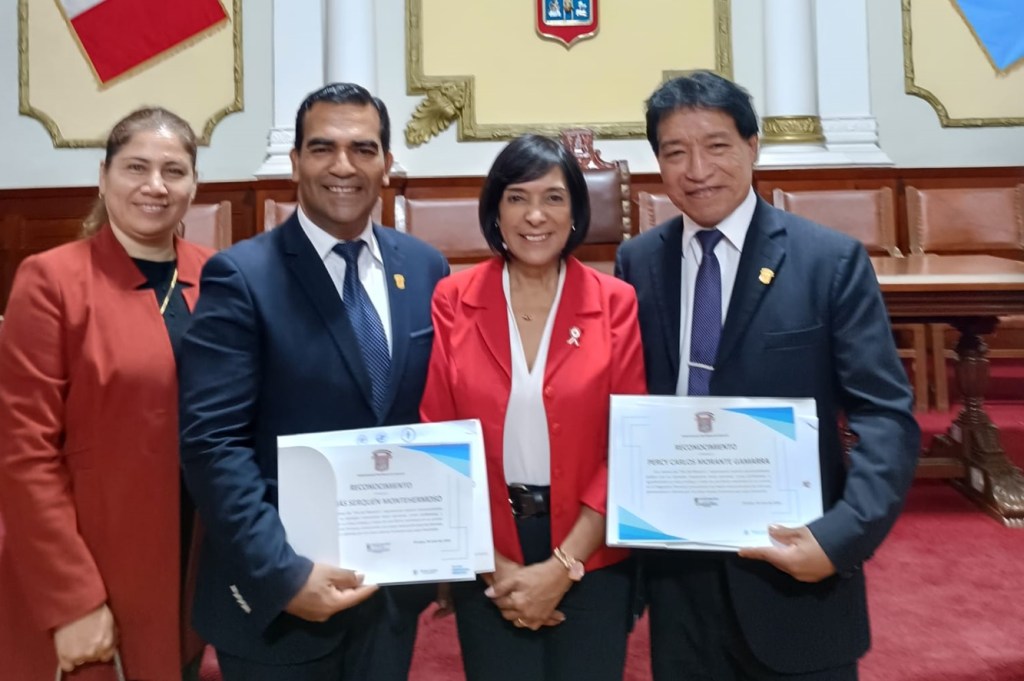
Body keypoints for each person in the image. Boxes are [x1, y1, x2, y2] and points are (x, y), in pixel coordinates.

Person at [615, 71, 920, 680]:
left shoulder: (828, 261)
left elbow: (883, 413)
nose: (697, 168)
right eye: (675, 152)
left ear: (753, 147)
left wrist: (842, 536)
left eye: (717, 145)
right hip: (680, 574)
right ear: (658, 163)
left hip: (795, 570)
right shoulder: (638, 261)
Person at [177, 82, 449, 681]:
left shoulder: (425, 267)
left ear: (387, 162)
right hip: (281, 602)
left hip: (391, 592)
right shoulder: (241, 277)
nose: (343, 166)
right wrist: (281, 575)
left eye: (363, 148)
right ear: (296, 162)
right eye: (322, 148)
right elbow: (211, 445)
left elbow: (433, 420)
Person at [420, 134, 646, 681]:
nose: (535, 216)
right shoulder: (455, 298)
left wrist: (565, 567)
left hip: (591, 547)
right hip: (490, 550)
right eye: (517, 198)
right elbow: (438, 437)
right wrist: (492, 565)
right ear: (495, 210)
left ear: (576, 211)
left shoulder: (615, 302)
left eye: (553, 198)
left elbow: (630, 443)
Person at [0, 108, 212, 680]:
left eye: (174, 170)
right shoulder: (52, 281)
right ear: (103, 176)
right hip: (94, 564)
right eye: (136, 167)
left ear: (193, 184)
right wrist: (71, 599)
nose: (155, 186)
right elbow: (24, 455)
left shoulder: (216, 275)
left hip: (190, 562)